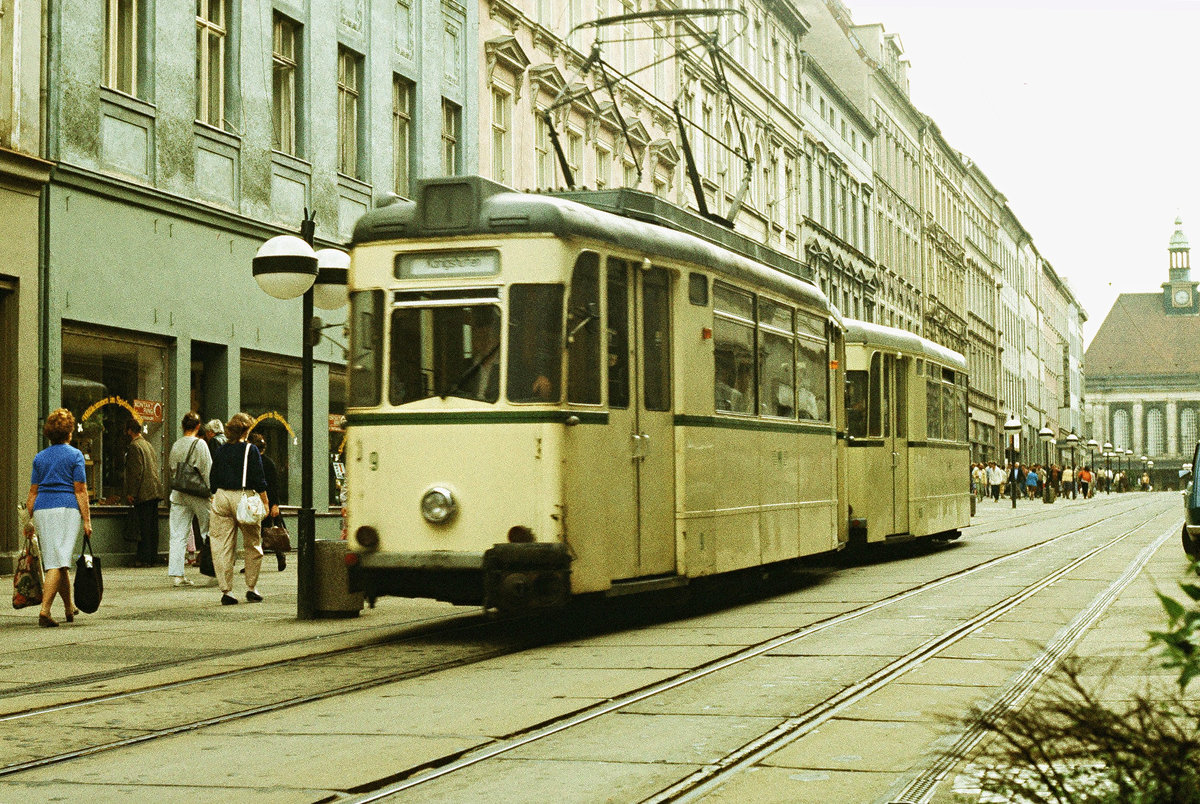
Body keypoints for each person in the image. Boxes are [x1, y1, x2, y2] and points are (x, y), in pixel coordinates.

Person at [25, 408, 91, 627]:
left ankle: (69, 607)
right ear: (69, 433)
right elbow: (80, 490)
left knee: (57, 558)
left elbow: (32, 492)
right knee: (59, 561)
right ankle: (45, 610)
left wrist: (28, 519)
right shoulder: (75, 455)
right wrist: (87, 520)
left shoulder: (40, 457)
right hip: (66, 509)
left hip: (42, 509)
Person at [208, 412, 270, 605]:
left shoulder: (220, 450)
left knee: (222, 545)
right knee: (252, 543)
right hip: (244, 498)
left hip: (221, 497)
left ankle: (227, 591)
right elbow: (259, 478)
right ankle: (251, 587)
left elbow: (212, 477)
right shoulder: (251, 450)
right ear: (246, 430)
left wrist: (215, 494)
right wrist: (265, 502)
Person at [167, 412, 211, 587]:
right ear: (198, 427)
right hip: (198, 493)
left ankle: (177, 575)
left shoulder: (176, 445)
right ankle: (212, 568)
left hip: (179, 492)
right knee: (208, 531)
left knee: (178, 534)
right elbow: (207, 470)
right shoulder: (200, 444)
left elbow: (172, 468)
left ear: (182, 426)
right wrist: (211, 492)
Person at [124, 417, 163, 567]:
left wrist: (131, 493)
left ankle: (144, 557)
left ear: (129, 431)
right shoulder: (148, 445)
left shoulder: (134, 447)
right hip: (153, 490)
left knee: (144, 527)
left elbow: (136, 472)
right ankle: (152, 556)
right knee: (152, 526)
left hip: (143, 492)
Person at [249, 431, 287, 572]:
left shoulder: (263, 463)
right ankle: (275, 555)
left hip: (263, 501)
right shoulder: (267, 462)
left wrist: (275, 504)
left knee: (264, 533)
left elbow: (274, 484)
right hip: (264, 501)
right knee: (267, 532)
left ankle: (279, 554)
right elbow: (275, 485)